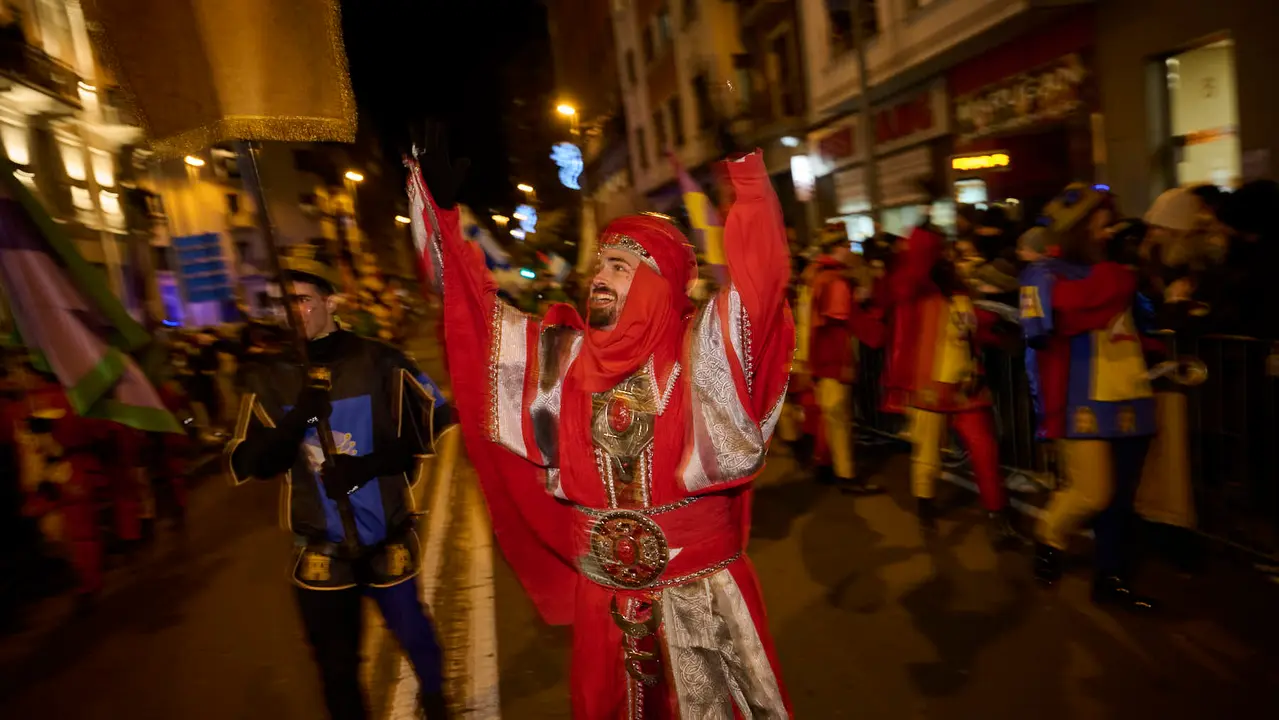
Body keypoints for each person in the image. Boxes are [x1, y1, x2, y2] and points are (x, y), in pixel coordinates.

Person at [410, 129, 793, 718]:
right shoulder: (560, 364)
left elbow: (761, 286)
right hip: (604, 605)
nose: (599, 277)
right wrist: (441, 215)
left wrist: (747, 178)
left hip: (702, 600)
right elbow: (471, 314)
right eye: (599, 265)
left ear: (660, 282)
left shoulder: (703, 353)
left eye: (618, 265)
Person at [225, 256, 451, 720]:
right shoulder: (267, 376)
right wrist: (299, 417)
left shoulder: (379, 360)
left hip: (384, 535)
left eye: (304, 300)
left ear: (331, 301)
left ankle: (436, 702)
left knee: (416, 637)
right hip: (321, 550)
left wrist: (365, 466)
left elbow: (424, 432)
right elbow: (256, 463)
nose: (294, 312)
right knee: (336, 669)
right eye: (284, 304)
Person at [1020, 183, 1158, 611]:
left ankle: (1110, 577)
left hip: (1129, 392)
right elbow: (1071, 312)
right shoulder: (1044, 272)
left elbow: (1148, 315)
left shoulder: (1114, 270)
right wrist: (1121, 274)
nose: (1108, 233)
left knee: (1121, 500)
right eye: (1100, 226)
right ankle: (1050, 535)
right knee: (1093, 492)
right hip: (1079, 398)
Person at [877, 217, 1024, 545]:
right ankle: (925, 508)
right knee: (927, 456)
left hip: (968, 388)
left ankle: (997, 516)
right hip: (930, 388)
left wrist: (1001, 331)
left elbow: (974, 328)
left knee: (986, 451)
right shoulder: (918, 295)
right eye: (945, 256)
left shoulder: (960, 297)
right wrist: (927, 231)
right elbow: (915, 266)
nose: (953, 261)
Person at [807, 228, 885, 494]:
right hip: (834, 356)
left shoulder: (816, 275)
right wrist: (877, 328)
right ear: (837, 248)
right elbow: (845, 317)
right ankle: (847, 476)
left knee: (830, 416)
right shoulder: (836, 281)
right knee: (839, 417)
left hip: (820, 356)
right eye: (847, 245)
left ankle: (825, 465)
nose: (851, 251)